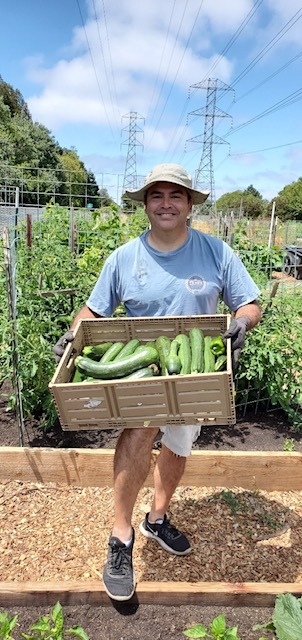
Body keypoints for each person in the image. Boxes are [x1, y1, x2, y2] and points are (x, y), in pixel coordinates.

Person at [53, 163, 261, 602]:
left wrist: (242, 323)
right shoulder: (124, 258)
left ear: (189, 205)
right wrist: (74, 336)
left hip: (196, 371)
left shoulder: (217, 252)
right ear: (145, 205)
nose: (166, 204)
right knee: (139, 432)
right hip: (142, 371)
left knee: (179, 446)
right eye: (156, 196)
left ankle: (157, 518)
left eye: (175, 196)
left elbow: (249, 303)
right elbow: (94, 313)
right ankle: (121, 535)